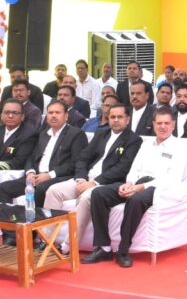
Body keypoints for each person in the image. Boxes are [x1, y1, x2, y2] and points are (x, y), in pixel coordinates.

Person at [85, 107, 186, 268]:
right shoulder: (146, 145)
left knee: (136, 200)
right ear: (153, 124)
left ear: (173, 125)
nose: (162, 127)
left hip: (158, 188)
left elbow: (171, 178)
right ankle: (104, 247)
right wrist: (129, 183)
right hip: (137, 183)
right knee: (98, 193)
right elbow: (134, 169)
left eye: (166, 123)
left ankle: (123, 250)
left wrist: (140, 187)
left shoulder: (180, 147)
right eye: (159, 123)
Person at [44, 104, 143, 252]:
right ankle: (46, 240)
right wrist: (81, 179)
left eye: (119, 117)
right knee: (53, 191)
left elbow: (122, 168)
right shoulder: (101, 133)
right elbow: (83, 158)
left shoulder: (134, 140)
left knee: (86, 198)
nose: (116, 120)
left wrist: (95, 183)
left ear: (127, 119)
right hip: (85, 178)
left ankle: (68, 246)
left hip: (107, 183)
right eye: (112, 117)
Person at [0, 100, 87, 247]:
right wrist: (30, 172)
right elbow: (30, 158)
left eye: (57, 113)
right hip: (36, 176)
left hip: (58, 177)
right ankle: (11, 235)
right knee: (3, 188)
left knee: (40, 189)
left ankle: (31, 236)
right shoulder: (43, 134)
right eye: (50, 113)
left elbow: (76, 163)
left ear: (66, 116)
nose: (53, 116)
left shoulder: (76, 134)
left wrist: (49, 175)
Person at [0, 100, 39, 171]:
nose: (10, 116)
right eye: (7, 112)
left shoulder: (29, 134)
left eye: (15, 113)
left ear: (22, 116)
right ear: (1, 115)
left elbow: (19, 163)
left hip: (11, 173)